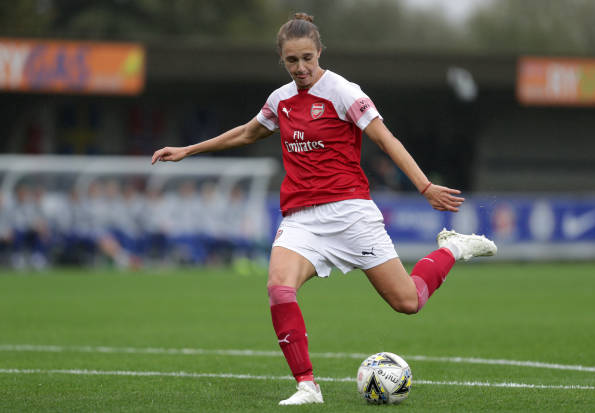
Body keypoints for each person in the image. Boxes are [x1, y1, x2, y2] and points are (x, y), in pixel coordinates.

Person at [152, 13, 497, 405]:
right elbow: (248, 132)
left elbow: (386, 139)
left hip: (351, 213)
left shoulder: (344, 92)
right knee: (279, 288)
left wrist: (424, 186)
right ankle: (307, 386)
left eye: (307, 59)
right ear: (281, 60)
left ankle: (452, 248)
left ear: (320, 53)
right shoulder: (279, 100)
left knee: (408, 302)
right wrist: (189, 151)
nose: (300, 68)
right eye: (292, 61)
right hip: (301, 219)